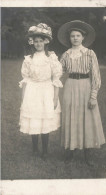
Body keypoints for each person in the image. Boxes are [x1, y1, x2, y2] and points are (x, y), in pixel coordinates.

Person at [57, 20, 105, 164]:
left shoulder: (90, 54)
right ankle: (70, 151)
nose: (75, 38)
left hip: (85, 86)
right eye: (72, 36)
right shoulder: (66, 55)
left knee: (87, 118)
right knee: (70, 116)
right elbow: (58, 72)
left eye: (78, 35)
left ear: (83, 37)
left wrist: (93, 96)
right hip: (70, 85)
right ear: (69, 38)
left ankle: (87, 153)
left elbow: (96, 76)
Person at [19, 23, 63, 159]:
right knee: (34, 118)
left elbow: (56, 78)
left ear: (46, 42)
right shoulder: (29, 59)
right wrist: (23, 97)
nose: (38, 44)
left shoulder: (51, 58)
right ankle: (34, 148)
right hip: (32, 91)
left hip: (46, 90)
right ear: (32, 43)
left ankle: (45, 150)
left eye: (41, 41)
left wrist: (55, 98)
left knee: (44, 118)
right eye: (36, 41)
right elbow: (25, 79)